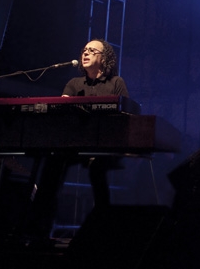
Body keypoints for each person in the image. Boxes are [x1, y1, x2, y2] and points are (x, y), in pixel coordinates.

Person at [25, 38, 129, 240]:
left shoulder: (116, 83)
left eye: (92, 50)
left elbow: (125, 114)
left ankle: (102, 231)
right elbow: (62, 113)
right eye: (84, 50)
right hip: (74, 143)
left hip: (103, 145)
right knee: (52, 162)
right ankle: (39, 231)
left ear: (104, 58)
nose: (86, 53)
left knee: (98, 169)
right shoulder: (74, 84)